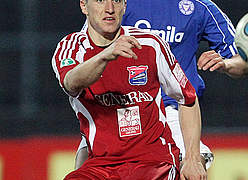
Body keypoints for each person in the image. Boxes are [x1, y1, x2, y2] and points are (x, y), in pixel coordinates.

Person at [75, 0, 248, 171]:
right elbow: (88, 49)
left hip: (172, 111)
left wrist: (226, 64)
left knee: (192, 166)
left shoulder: (200, 7)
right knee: (86, 165)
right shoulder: (118, 4)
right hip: (124, 108)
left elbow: (244, 61)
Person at [52, 0, 206, 179]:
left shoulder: (150, 44)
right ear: (84, 6)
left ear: (125, 5)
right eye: (100, 1)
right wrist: (105, 56)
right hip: (101, 166)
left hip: (154, 164)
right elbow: (71, 82)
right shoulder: (71, 48)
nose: (110, 9)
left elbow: (187, 98)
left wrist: (192, 158)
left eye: (116, 1)